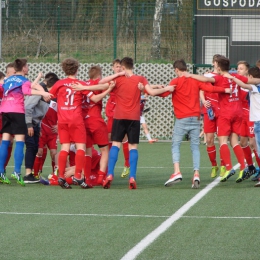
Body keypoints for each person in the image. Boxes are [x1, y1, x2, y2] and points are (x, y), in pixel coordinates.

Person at [145, 59, 229, 189]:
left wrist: (151, 91)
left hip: (182, 119)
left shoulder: (175, 81)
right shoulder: (195, 80)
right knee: (195, 147)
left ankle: (177, 171)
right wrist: (225, 90)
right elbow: (210, 88)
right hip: (195, 119)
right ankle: (196, 173)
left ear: (177, 70)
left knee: (175, 145)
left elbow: (164, 94)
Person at [186, 56, 260, 183]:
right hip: (238, 112)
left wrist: (190, 75)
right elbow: (250, 81)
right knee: (235, 141)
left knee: (223, 141)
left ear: (218, 68)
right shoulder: (236, 77)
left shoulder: (219, 78)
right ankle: (243, 168)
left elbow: (205, 79)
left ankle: (229, 168)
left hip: (226, 113)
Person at [102, 57, 172, 189]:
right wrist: (166, 88)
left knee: (115, 144)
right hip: (134, 118)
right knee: (132, 147)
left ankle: (110, 174)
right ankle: (132, 177)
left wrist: (117, 74)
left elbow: (102, 82)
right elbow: (151, 92)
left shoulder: (118, 79)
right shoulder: (140, 79)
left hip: (119, 116)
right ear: (132, 66)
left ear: (122, 67)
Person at [0, 58, 52, 185]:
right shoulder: (24, 80)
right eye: (27, 66)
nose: (28, 68)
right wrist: (43, 93)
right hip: (17, 111)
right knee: (19, 142)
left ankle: (1, 172)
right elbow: (27, 91)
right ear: (23, 68)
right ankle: (17, 172)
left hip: (5, 111)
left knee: (5, 141)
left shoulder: (7, 79)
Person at [226, 67, 260, 187]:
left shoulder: (250, 84)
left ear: (247, 72)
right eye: (238, 69)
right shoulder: (239, 84)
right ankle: (250, 167)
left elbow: (246, 85)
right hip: (244, 115)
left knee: (253, 143)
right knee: (243, 142)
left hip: (252, 116)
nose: (238, 71)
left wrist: (234, 78)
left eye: (241, 69)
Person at [23, 72, 54, 183]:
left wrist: (39, 127)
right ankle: (27, 174)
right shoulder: (38, 94)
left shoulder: (46, 96)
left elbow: (40, 114)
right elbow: (27, 108)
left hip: (35, 124)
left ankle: (30, 173)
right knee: (31, 146)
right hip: (29, 123)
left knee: (35, 147)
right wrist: (29, 125)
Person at [200, 54, 226, 178]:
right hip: (209, 110)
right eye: (214, 61)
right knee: (209, 139)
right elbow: (201, 89)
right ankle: (213, 165)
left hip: (221, 111)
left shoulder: (224, 77)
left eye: (217, 61)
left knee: (222, 139)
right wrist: (204, 101)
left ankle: (223, 166)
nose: (215, 63)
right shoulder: (207, 75)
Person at [105, 59, 131, 178]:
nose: (119, 68)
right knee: (110, 137)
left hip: (122, 111)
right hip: (111, 112)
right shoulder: (112, 79)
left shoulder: (127, 78)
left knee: (124, 138)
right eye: (116, 66)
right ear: (113, 68)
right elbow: (101, 83)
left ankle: (127, 164)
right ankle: (109, 169)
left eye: (120, 67)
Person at [33, 76, 59, 179]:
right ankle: (36, 173)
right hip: (42, 129)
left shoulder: (59, 99)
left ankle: (55, 174)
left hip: (52, 132)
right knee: (40, 151)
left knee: (54, 153)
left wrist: (59, 125)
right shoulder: (42, 97)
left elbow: (63, 113)